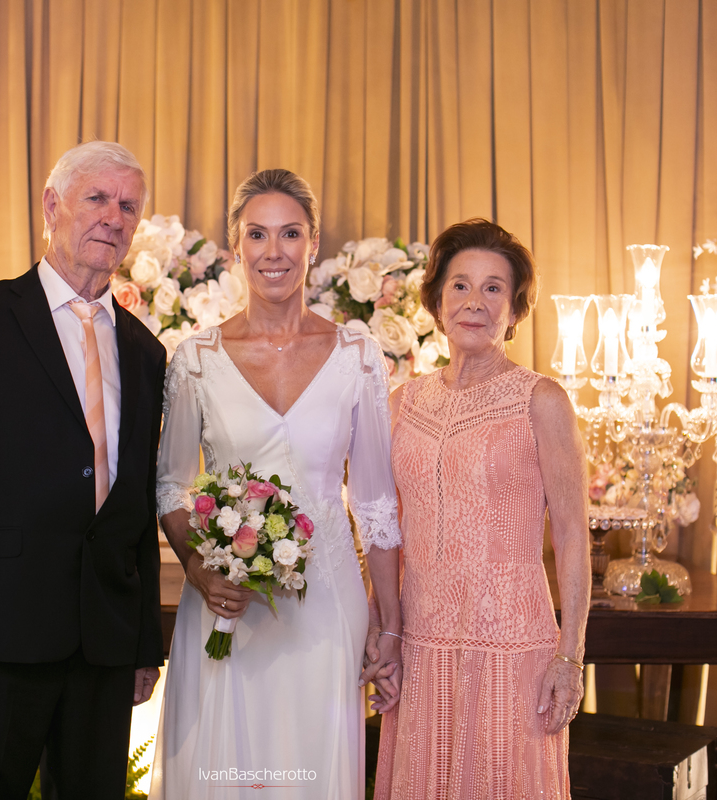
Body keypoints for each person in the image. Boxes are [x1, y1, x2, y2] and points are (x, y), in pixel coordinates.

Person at [0, 141, 167, 799]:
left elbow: (135, 504)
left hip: (101, 647)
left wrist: (142, 645)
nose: (113, 217)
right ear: (52, 206)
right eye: (96, 198)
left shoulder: (144, 351)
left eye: (128, 206)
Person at [148, 169, 403, 800]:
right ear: (236, 248)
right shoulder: (196, 360)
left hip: (327, 604)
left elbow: (375, 505)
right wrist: (200, 571)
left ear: (313, 244)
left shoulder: (358, 356)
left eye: (290, 233)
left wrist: (390, 623)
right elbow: (170, 486)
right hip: (226, 603)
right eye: (257, 234)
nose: (274, 251)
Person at [373, 219, 591, 799]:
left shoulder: (541, 401)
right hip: (421, 645)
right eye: (461, 285)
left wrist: (571, 657)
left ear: (514, 309)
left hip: (512, 648)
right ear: (437, 301)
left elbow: (573, 535)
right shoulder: (402, 404)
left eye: (494, 288)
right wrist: (383, 631)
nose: (475, 301)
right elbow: (385, 531)